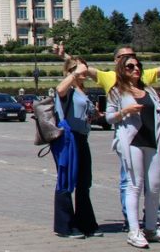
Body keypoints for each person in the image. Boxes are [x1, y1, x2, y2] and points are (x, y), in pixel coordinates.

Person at [57, 42, 160, 229]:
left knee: (152, 182)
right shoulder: (110, 77)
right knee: (129, 180)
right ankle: (129, 222)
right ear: (116, 61)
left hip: (150, 134)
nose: (132, 64)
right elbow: (82, 69)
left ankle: (152, 220)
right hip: (127, 135)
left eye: (133, 58)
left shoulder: (141, 74)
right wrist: (64, 56)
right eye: (125, 59)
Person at [106, 54, 160, 247]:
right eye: (130, 66)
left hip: (153, 141)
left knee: (154, 187)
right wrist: (125, 112)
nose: (136, 69)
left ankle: (152, 228)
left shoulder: (149, 91)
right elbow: (109, 118)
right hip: (132, 142)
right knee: (134, 185)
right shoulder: (116, 92)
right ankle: (134, 231)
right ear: (122, 70)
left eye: (138, 66)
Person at [52, 56, 100, 238]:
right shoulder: (68, 87)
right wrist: (74, 74)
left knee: (84, 182)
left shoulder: (81, 91)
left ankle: (86, 223)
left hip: (82, 138)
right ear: (71, 71)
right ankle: (65, 226)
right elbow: (59, 90)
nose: (85, 72)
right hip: (68, 139)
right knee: (66, 180)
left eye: (85, 69)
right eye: (81, 70)